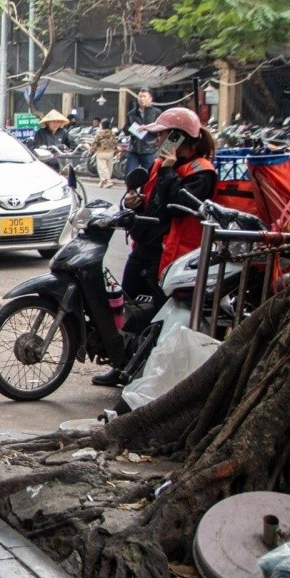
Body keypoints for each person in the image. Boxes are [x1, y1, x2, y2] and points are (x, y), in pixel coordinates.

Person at [102, 108, 217, 387]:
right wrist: (133, 201)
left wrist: (168, 171)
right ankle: (122, 367)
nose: (156, 141)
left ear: (177, 137)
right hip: (144, 247)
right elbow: (152, 202)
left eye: (163, 135)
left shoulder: (202, 171)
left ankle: (151, 376)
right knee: (128, 308)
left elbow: (180, 207)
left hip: (173, 256)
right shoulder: (157, 165)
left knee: (158, 316)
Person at [125, 89, 160, 174]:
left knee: (149, 176)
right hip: (134, 150)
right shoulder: (131, 114)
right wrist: (133, 129)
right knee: (129, 176)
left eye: (144, 96)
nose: (142, 99)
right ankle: (131, 188)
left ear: (150, 98)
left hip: (149, 150)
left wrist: (147, 128)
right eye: (140, 96)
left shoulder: (156, 112)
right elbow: (126, 130)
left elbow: (160, 130)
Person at [90, 119, 119, 188]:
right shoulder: (112, 133)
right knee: (109, 168)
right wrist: (116, 151)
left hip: (101, 152)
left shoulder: (99, 133)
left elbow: (95, 143)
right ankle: (102, 182)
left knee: (102, 168)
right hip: (110, 152)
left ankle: (108, 181)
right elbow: (115, 143)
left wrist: (91, 150)